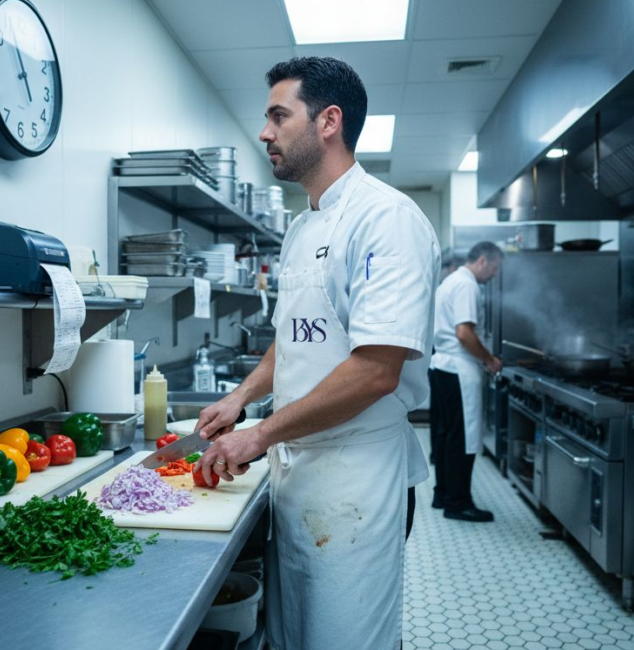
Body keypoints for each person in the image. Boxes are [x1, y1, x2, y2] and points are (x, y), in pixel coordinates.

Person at [192, 57, 440, 650]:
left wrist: (258, 434)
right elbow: (299, 332)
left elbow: (376, 372)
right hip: (296, 472)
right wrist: (242, 397)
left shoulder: (387, 220)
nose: (265, 132)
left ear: (329, 121)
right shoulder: (303, 228)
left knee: (346, 638)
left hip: (356, 478)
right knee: (296, 635)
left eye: (280, 115)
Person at [428, 242, 504, 522]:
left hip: (442, 366)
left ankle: (443, 494)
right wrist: (489, 360)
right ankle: (458, 503)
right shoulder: (467, 285)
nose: (494, 275)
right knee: (464, 438)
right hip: (459, 368)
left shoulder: (450, 281)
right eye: (495, 268)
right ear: (483, 261)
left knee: (446, 435)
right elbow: (464, 333)